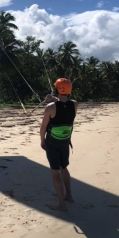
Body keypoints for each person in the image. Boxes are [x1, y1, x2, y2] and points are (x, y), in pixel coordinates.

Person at [40, 78, 78, 211]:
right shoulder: (75, 104)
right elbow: (64, 105)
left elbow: (43, 128)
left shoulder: (50, 108)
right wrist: (54, 99)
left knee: (55, 172)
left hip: (53, 142)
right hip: (65, 141)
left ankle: (62, 204)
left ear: (57, 89)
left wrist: (42, 140)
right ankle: (69, 195)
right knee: (64, 168)